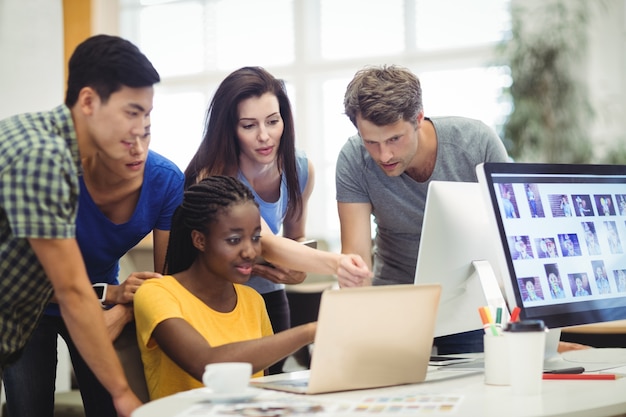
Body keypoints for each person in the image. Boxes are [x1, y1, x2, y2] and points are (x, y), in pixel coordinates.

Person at [0, 34, 163, 416]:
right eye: (131, 112)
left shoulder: (49, 142)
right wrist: (121, 393)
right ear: (88, 101)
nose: (141, 129)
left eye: (147, 116)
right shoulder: (44, 157)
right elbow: (72, 291)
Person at [4, 118, 183, 416]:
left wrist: (124, 311)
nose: (138, 150)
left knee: (109, 407)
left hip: (97, 304)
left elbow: (165, 279)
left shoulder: (166, 181)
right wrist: (110, 294)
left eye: (146, 134)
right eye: (125, 140)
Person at [335, 65, 509, 354]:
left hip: (472, 300)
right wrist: (359, 331)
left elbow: (511, 236)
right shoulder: (354, 159)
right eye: (371, 143)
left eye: (394, 139)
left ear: (418, 118)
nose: (384, 155)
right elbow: (357, 262)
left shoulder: (476, 143)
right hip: (397, 296)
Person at [134, 176, 317, 400]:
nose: (250, 251)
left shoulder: (253, 300)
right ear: (199, 240)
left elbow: (260, 385)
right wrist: (309, 332)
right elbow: (206, 364)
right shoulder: (157, 293)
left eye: (256, 237)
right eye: (234, 240)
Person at [184, 66, 312, 374]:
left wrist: (298, 271)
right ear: (230, 129)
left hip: (269, 297)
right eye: (249, 125)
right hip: (218, 301)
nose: (264, 136)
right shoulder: (214, 175)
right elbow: (266, 242)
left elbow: (295, 238)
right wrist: (337, 264)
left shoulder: (300, 168)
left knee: (273, 390)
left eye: (273, 121)